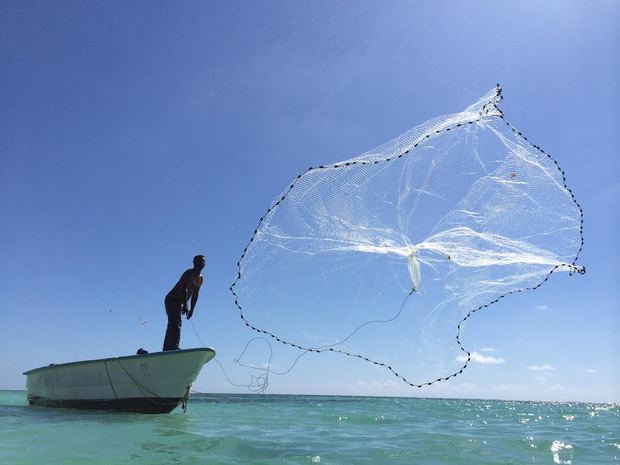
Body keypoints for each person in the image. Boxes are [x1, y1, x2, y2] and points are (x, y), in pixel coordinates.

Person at [163, 255, 205, 351]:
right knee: (175, 323)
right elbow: (183, 288)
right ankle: (173, 347)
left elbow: (195, 295)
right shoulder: (189, 273)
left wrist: (192, 310)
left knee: (173, 323)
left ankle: (167, 348)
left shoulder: (200, 278)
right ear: (194, 263)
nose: (202, 263)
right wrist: (186, 304)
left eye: (203, 262)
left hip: (180, 302)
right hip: (172, 299)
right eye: (200, 261)